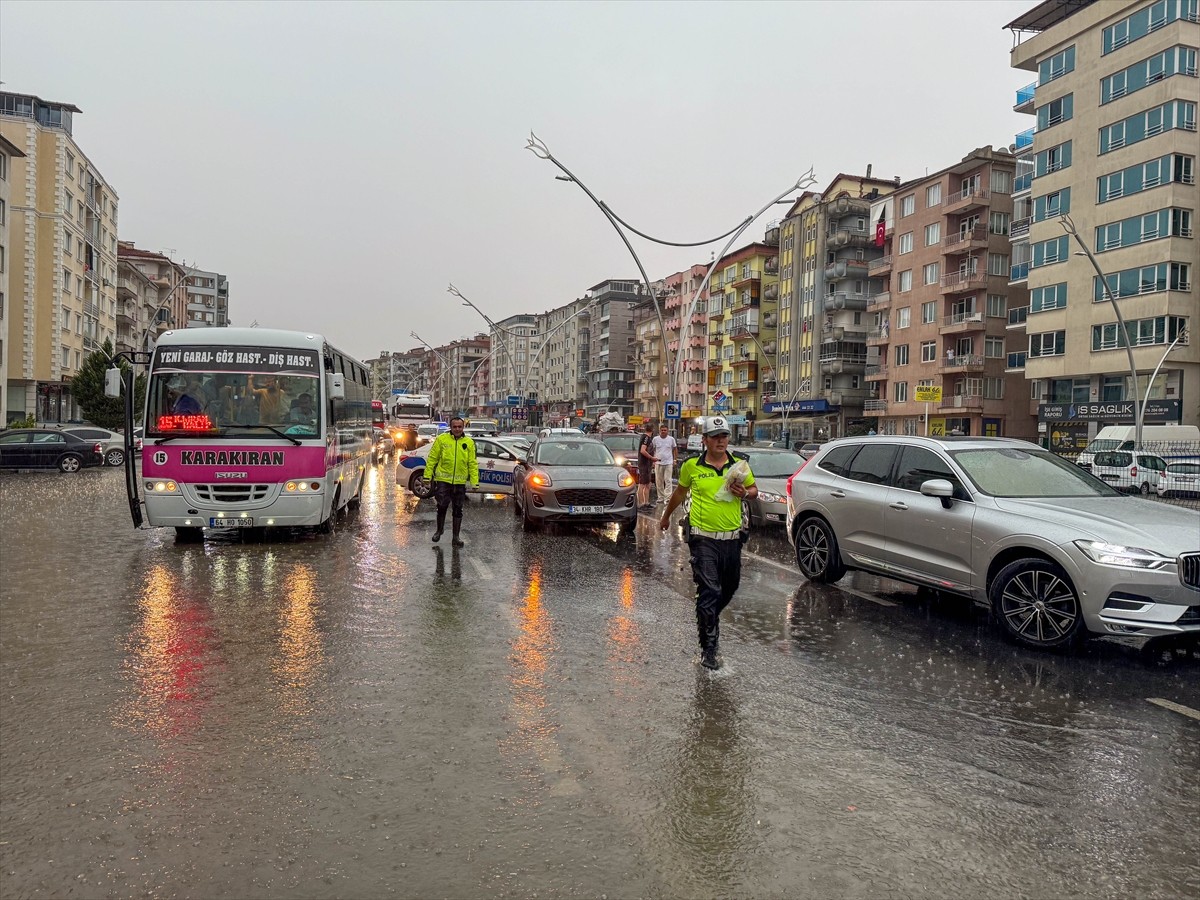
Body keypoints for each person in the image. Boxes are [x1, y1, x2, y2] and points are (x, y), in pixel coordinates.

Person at [659, 415, 758, 671]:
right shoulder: (692, 466)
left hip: (732, 539)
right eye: (715, 437)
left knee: (729, 587)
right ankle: (709, 649)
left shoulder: (739, 466)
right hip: (703, 538)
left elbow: (754, 490)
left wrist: (745, 493)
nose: (720, 441)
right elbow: (680, 492)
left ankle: (708, 615)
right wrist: (666, 516)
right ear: (705, 441)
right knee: (710, 590)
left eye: (724, 436)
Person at [426, 416, 479, 547]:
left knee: (458, 509)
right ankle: (439, 530)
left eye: (459, 427)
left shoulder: (469, 442)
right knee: (442, 506)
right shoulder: (441, 440)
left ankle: (456, 537)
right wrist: (427, 477)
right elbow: (432, 458)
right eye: (454, 427)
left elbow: (472, 463)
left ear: (463, 427)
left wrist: (474, 482)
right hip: (443, 480)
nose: (457, 429)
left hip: (460, 483)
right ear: (451, 427)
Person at [651, 423, 678, 503]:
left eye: (665, 430)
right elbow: (652, 449)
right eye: (662, 430)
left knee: (668, 480)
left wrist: (675, 460)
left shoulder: (671, 439)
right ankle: (661, 497)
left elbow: (675, 449)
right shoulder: (655, 439)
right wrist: (652, 460)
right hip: (658, 463)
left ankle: (668, 497)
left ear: (668, 431)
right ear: (659, 431)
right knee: (659, 481)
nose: (663, 431)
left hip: (668, 463)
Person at [637, 422, 656, 509]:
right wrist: (651, 458)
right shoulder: (646, 438)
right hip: (644, 463)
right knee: (642, 484)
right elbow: (643, 450)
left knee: (648, 483)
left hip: (647, 464)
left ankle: (646, 502)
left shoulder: (648, 438)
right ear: (653, 429)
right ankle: (641, 503)